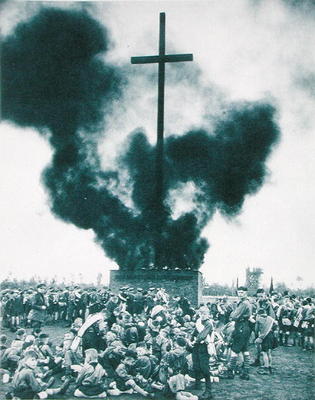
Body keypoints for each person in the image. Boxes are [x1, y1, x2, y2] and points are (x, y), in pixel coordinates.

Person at [225, 286, 252, 380]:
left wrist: (232, 313)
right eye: (239, 292)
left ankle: (230, 372)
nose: (240, 294)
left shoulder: (243, 303)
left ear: (246, 293)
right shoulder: (248, 302)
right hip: (246, 327)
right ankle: (246, 372)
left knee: (234, 350)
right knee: (245, 350)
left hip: (240, 327)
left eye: (242, 292)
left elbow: (234, 316)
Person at [191, 306, 214, 400]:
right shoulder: (199, 321)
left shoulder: (209, 323)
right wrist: (191, 337)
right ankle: (197, 383)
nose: (203, 315)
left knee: (204, 368)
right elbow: (195, 331)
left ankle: (208, 391)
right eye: (201, 313)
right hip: (197, 346)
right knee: (196, 365)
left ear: (208, 314)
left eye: (205, 314)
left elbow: (203, 335)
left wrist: (195, 341)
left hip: (204, 346)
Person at [255, 308, 278, 375]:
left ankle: (266, 368)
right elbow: (276, 324)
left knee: (264, 352)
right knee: (269, 352)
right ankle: (269, 365)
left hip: (265, 337)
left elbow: (256, 330)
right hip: (271, 335)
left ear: (259, 314)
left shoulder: (259, 319)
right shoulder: (270, 318)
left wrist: (259, 336)